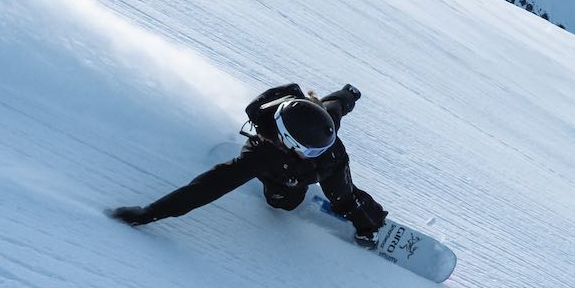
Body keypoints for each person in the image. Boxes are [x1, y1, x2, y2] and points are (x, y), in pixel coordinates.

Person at [110, 82, 387, 241]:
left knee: (345, 197)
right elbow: (206, 188)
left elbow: (336, 103)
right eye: (310, 150)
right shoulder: (261, 157)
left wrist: (349, 93)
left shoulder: (320, 125)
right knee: (283, 203)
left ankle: (367, 228)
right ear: (287, 142)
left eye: (320, 147)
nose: (317, 151)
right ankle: (286, 189)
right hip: (285, 173)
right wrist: (149, 213)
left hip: (333, 164)